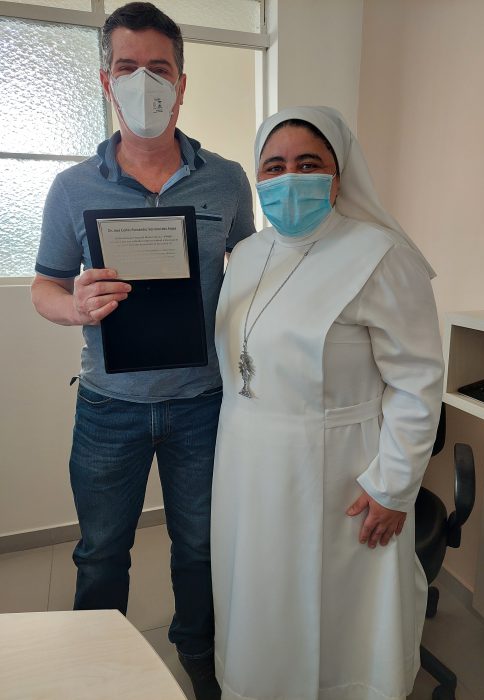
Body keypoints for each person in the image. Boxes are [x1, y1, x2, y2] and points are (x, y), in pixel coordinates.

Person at [31, 3, 254, 699]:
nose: (144, 83)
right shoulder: (73, 187)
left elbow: (253, 275)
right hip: (109, 407)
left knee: (200, 547)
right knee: (101, 552)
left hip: (203, 405)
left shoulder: (227, 180)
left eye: (159, 68)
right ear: (106, 81)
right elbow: (43, 286)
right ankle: (93, 668)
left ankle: (200, 654)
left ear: (182, 83)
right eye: (127, 68)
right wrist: (74, 305)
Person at [211, 106, 444, 700]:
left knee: (338, 618)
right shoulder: (247, 254)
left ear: (338, 177)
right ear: (258, 177)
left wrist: (393, 487)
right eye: (274, 166)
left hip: (342, 473)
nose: (289, 178)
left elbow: (417, 381)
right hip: (247, 467)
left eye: (308, 163)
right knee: (259, 599)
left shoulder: (379, 255)